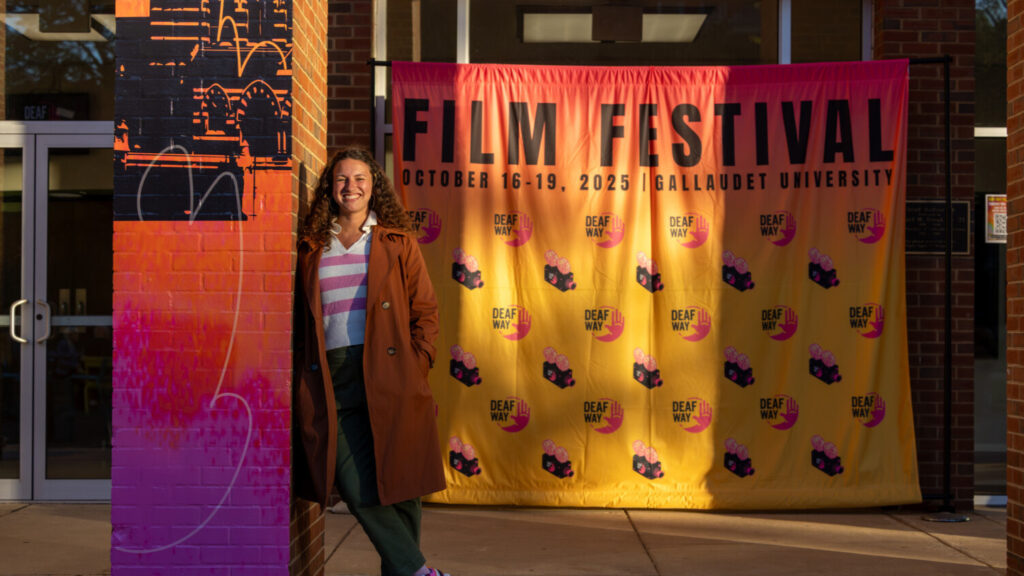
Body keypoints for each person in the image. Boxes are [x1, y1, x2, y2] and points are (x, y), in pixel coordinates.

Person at [293, 145, 449, 576]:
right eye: (342, 179)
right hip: (328, 375)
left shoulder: (395, 242)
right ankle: (418, 571)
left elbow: (426, 310)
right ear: (330, 188)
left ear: (373, 186)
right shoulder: (311, 246)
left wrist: (417, 364)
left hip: (389, 371)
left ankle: (404, 572)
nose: (351, 187)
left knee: (402, 485)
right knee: (352, 481)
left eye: (360, 178)